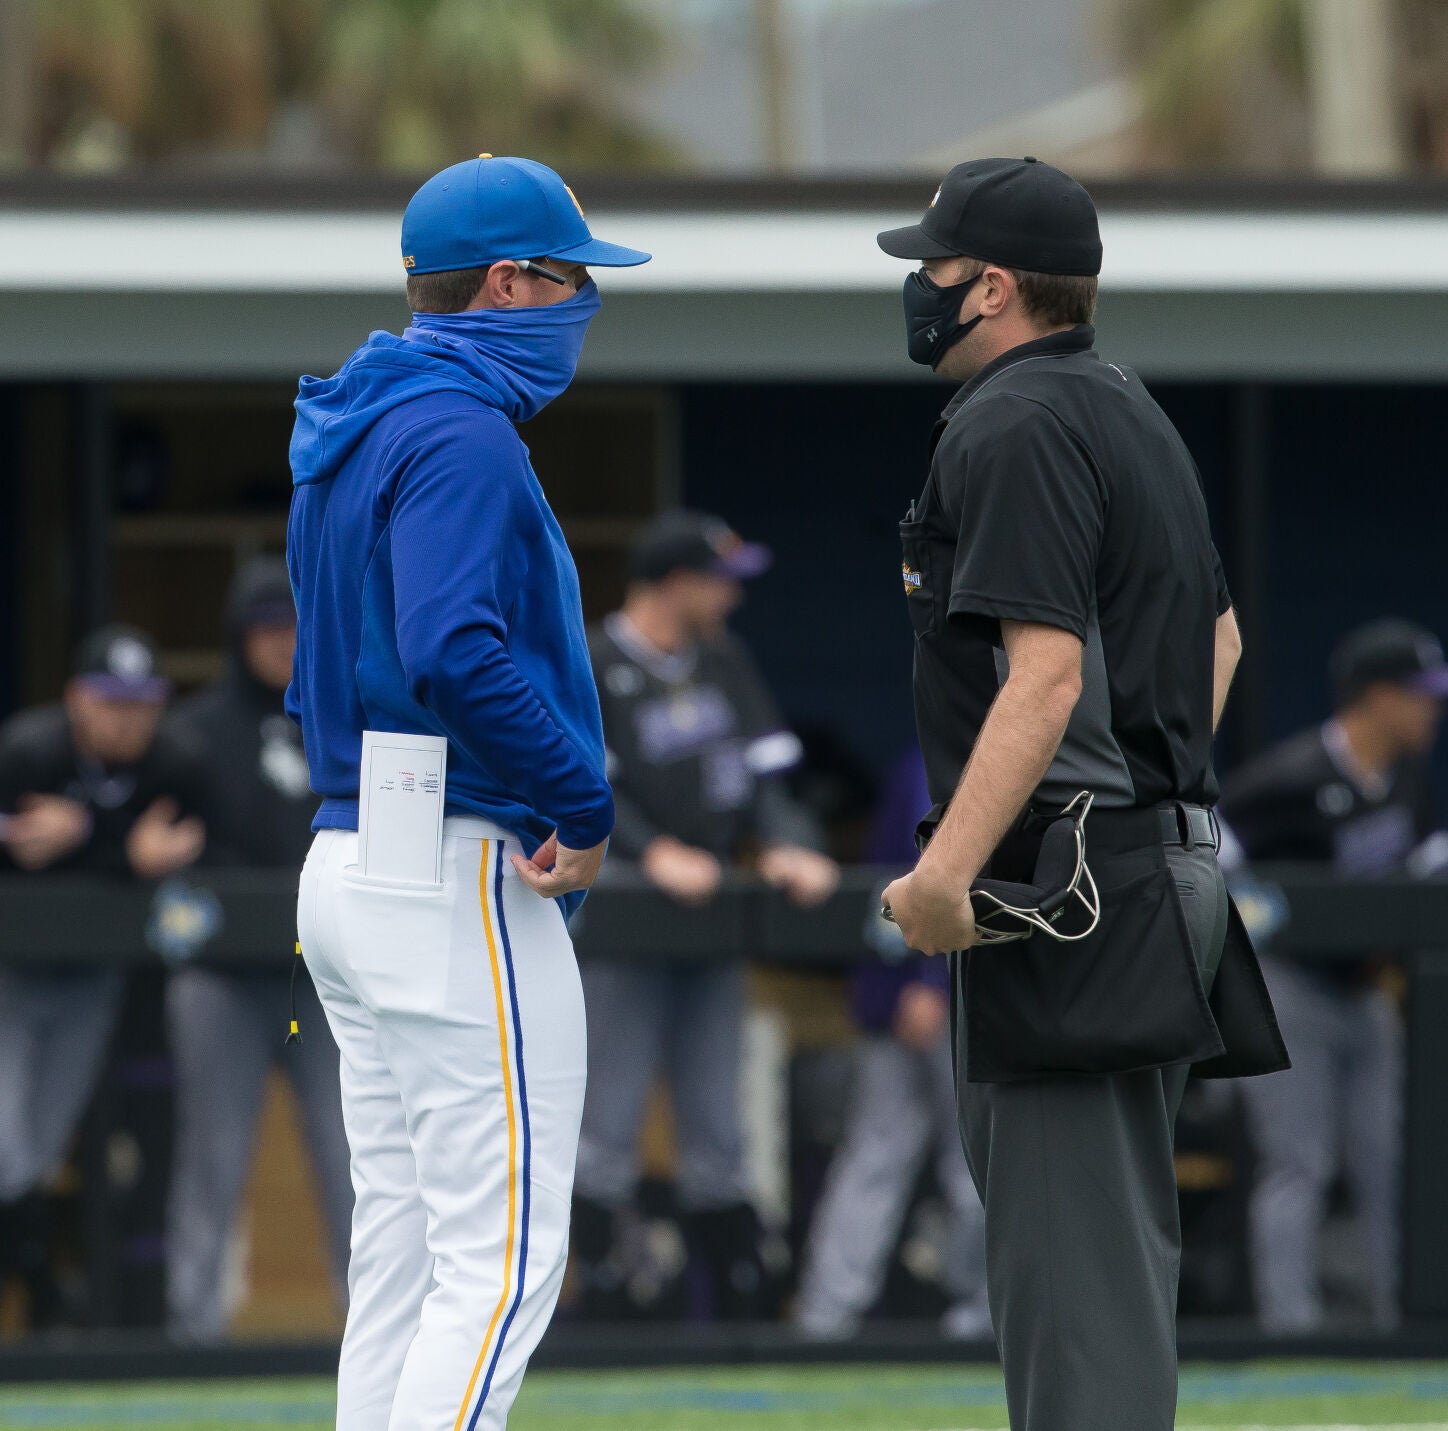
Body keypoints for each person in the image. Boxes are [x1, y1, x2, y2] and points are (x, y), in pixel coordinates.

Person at [874, 156, 1286, 1431]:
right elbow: (1215, 641)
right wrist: (1147, 800)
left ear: (991, 286)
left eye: (931, 269)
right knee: (1099, 1274)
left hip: (1070, 897)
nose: (918, 289)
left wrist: (948, 876)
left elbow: (1042, 676)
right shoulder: (1124, 403)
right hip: (1155, 874)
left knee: (1073, 1300)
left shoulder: (1010, 421)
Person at [287, 155, 649, 1431]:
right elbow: (451, 646)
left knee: (399, 1255)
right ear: (507, 281)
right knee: (499, 1263)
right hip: (451, 855)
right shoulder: (458, 427)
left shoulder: (359, 412)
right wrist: (583, 801)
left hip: (350, 851)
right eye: (566, 278)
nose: (579, 305)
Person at [574, 511, 839, 1319]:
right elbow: (579, 781)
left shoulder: (723, 660)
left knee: (719, 1124)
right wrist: (650, 851)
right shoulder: (594, 658)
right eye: (720, 578)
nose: (731, 594)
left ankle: (736, 1307)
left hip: (712, 916)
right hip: (621, 914)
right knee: (605, 1122)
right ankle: (601, 1299)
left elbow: (766, 779)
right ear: (675, 581)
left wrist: (788, 843)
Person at [1220, 619, 1447, 1332]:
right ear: (1376, 697)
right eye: (1419, 695)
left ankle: (1396, 1323)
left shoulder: (1408, 778)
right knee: (1299, 1162)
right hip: (1292, 989)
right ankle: (1292, 1329)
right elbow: (1215, 843)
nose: (1431, 710)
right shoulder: (1294, 775)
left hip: (1369, 993)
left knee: (1391, 1163)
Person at [162, 557, 354, 1343]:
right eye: (268, 629)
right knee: (212, 1157)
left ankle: (372, 1332)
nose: (284, 642)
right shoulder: (192, 731)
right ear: (239, 637)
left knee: (355, 1159)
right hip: (225, 981)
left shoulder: (343, 717)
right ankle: (193, 1331)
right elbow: (158, 846)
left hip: (325, 977)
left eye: (295, 626)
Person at [0, 626, 206, 1324]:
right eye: (110, 700)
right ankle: (44, 1296)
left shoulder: (175, 762)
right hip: (13, 975)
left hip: (94, 979)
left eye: (141, 702)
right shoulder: (29, 752)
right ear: (76, 700)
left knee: (39, 1145)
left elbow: (207, 849)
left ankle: (40, 1303)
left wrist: (89, 833)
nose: (127, 717)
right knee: (5, 1138)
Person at [794, 746, 988, 1341]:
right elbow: (927, 871)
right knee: (947, 1158)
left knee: (946, 1160)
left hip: (923, 984)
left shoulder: (931, 753)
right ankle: (831, 1316)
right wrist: (928, 979)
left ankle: (972, 1313)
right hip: (932, 986)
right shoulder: (938, 758)